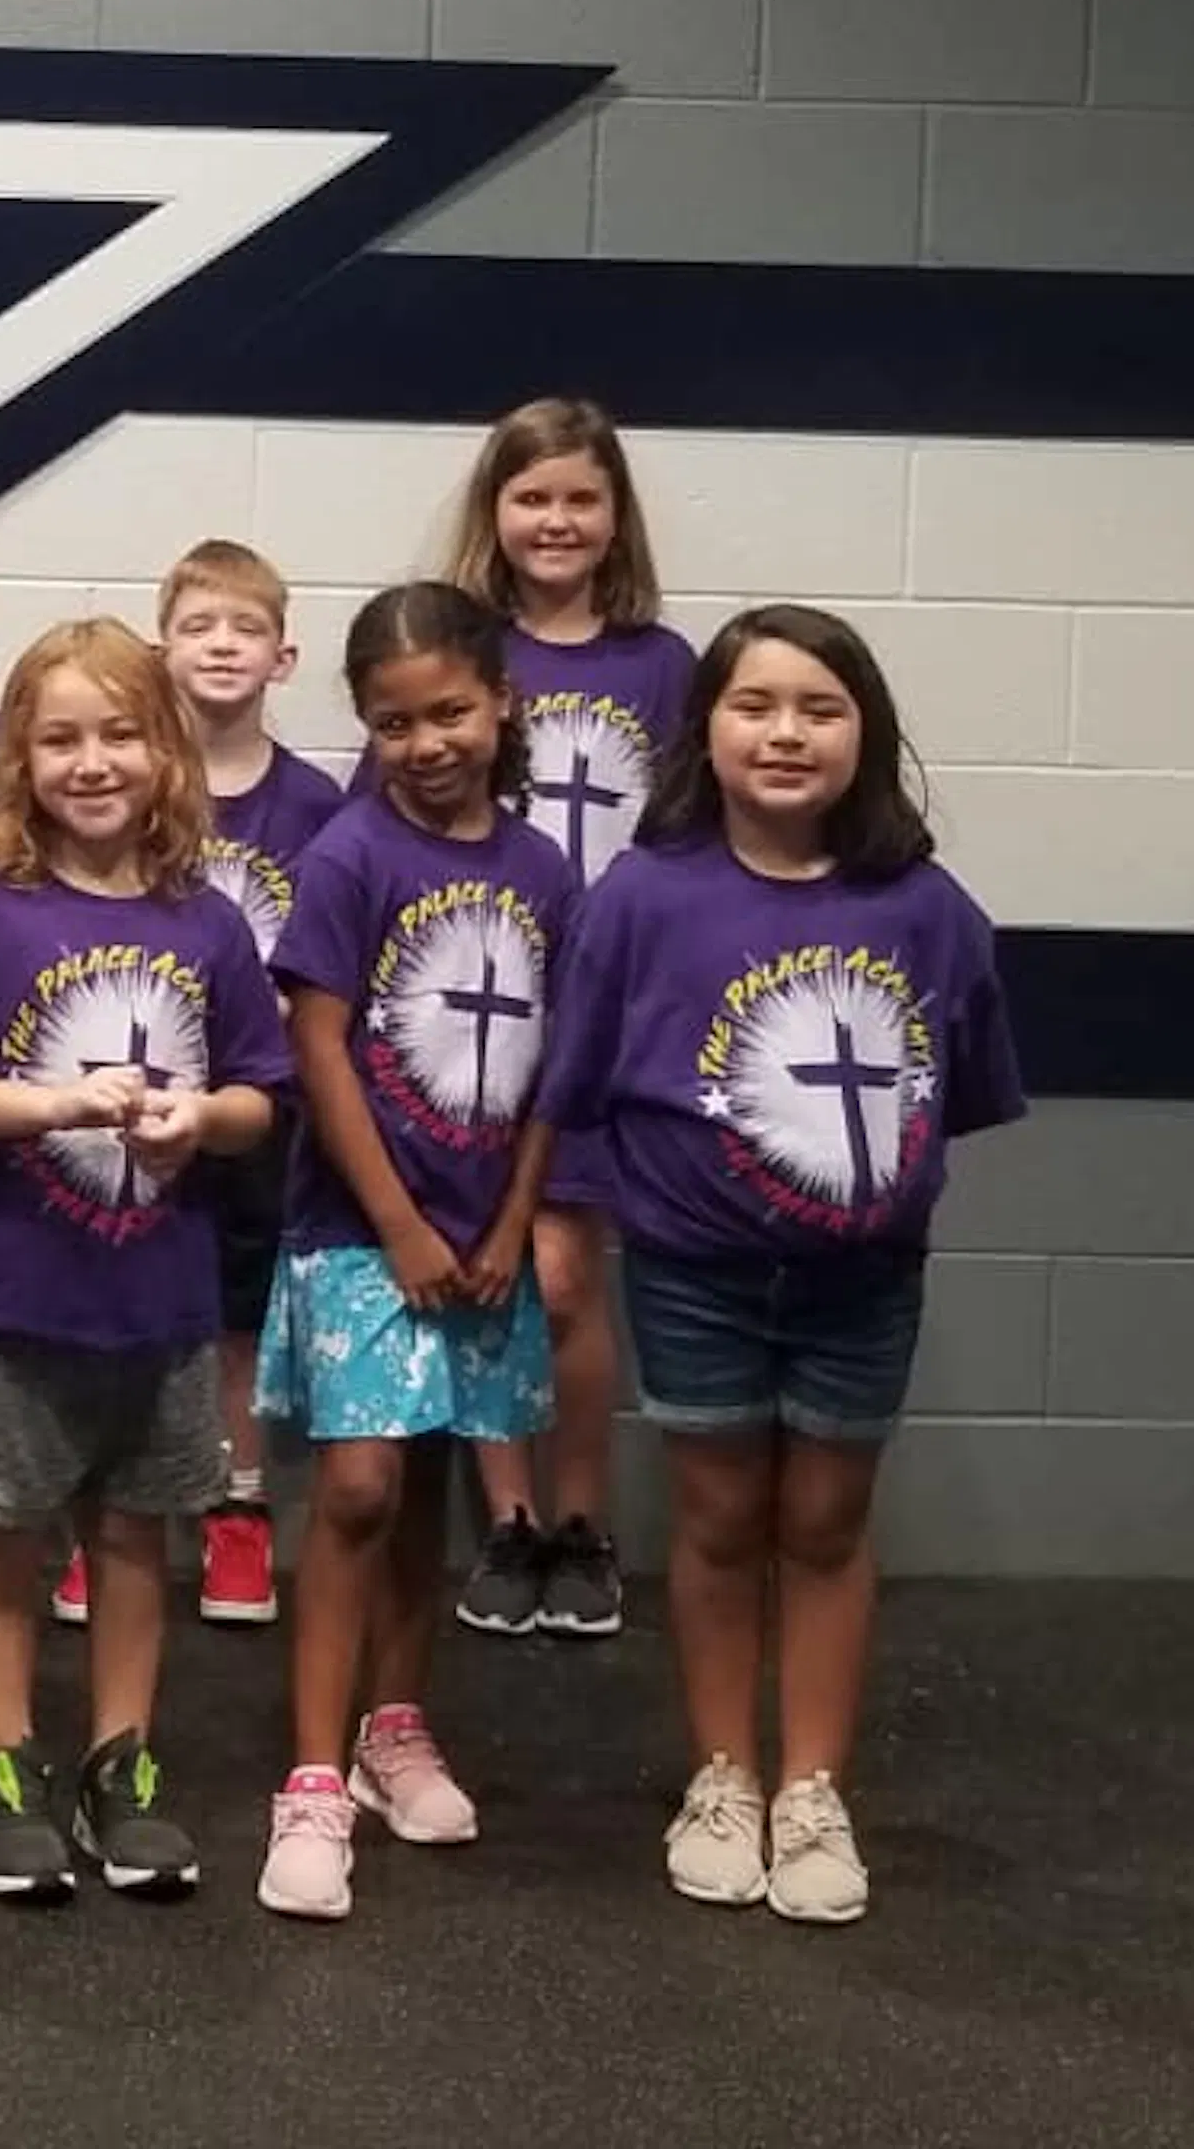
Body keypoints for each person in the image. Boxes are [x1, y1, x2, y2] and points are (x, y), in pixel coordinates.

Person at [543, 607, 1022, 1925]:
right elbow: (573, 1086)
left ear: (868, 733)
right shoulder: (639, 898)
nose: (787, 733)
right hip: (692, 1274)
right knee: (715, 1523)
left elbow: (957, 1092)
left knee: (823, 1526)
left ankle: (812, 1789)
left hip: (863, 1284)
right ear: (705, 729)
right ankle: (725, 1775)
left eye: (821, 708)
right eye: (755, 705)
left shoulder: (929, 911)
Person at [0, 617, 288, 1903]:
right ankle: (6, 1765)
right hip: (17, 1293)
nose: (93, 762)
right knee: (1, 1534)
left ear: (167, 751)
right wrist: (55, 1104)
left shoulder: (207, 923)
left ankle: (124, 1761)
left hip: (157, 1301)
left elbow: (261, 1097)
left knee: (131, 1537)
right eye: (60, 739)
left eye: (121, 734)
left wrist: (200, 1119)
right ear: (20, 761)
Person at [253, 585, 577, 1923]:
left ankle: (396, 1729)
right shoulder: (351, 856)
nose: (426, 743)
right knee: (360, 1485)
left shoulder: (545, 871)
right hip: (361, 1228)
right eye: (393, 724)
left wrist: (509, 1223)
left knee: (432, 1474)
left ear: (502, 701)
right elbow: (318, 1046)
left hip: (484, 1231)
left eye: (449, 713)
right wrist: (396, 1219)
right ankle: (311, 1778)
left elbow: (555, 1064)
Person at [445, 398, 695, 1643]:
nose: (556, 520)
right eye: (532, 496)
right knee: (493, 1270)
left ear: (615, 515)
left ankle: (584, 1522)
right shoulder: (464, 650)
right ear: (495, 511)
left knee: (566, 1279)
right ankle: (508, 1519)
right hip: (480, 1002)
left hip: (613, 1012)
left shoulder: (663, 667)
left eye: (580, 498)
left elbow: (699, 833)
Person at [131, 537, 344, 1636]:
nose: (221, 646)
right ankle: (114, 1513)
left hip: (261, 1107)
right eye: (199, 626)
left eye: (246, 628)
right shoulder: (129, 784)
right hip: (135, 1101)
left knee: (241, 1311)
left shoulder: (315, 805)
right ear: (160, 649)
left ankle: (238, 1505)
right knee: (125, 1288)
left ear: (283, 656)